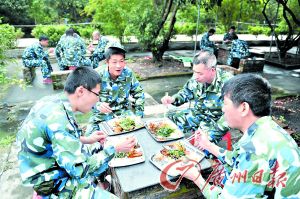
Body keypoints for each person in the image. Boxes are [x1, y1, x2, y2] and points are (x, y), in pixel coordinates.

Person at [17, 67, 137, 198]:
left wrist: (88, 139)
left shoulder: (54, 101)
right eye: (97, 94)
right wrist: (115, 149)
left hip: (52, 164)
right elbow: (79, 170)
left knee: (97, 147)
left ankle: (98, 184)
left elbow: (57, 139)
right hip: (54, 184)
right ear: (81, 91)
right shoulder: (58, 120)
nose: (98, 100)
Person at [181, 74, 300, 198]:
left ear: (243, 108)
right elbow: (236, 158)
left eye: (225, 103)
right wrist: (208, 145)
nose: (222, 109)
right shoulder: (268, 128)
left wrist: (196, 178)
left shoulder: (254, 149)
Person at [161, 50, 232, 142]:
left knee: (201, 147)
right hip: (197, 114)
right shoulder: (196, 78)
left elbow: (229, 117)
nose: (195, 76)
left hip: (214, 122)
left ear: (212, 70)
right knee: (168, 121)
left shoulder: (228, 83)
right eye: (194, 72)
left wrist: (211, 136)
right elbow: (185, 93)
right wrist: (172, 99)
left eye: (200, 73)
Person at [89, 44, 145, 132]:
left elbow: (139, 93)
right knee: (91, 140)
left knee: (139, 134)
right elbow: (86, 96)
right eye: (114, 62)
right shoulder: (96, 74)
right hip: (101, 115)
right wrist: (97, 105)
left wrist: (139, 116)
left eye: (121, 61)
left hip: (124, 114)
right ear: (107, 62)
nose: (118, 65)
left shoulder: (128, 73)